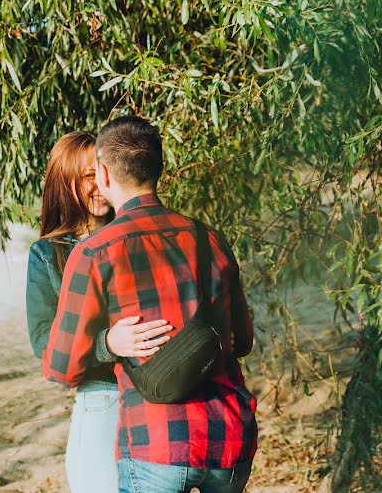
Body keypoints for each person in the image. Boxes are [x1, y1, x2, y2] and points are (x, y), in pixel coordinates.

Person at [43, 117, 257, 493]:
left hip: (155, 441)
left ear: (104, 174)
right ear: (159, 169)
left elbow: (61, 368)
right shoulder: (210, 239)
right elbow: (242, 342)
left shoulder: (94, 253)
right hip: (228, 439)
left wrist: (110, 343)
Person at [26, 131, 175, 492]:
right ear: (65, 183)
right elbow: (46, 345)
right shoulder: (48, 255)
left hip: (159, 393)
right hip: (102, 395)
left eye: (100, 173)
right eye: (86, 177)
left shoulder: (136, 235)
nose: (97, 185)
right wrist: (108, 343)